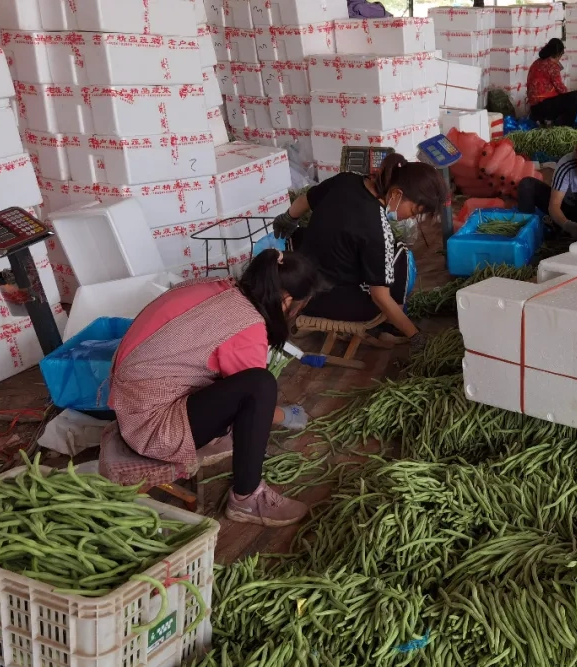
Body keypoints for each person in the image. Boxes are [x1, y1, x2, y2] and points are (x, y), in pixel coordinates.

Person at [109, 250, 322, 527]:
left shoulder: (214, 286)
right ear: (287, 300)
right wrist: (284, 415)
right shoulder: (246, 326)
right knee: (260, 385)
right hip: (152, 427)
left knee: (247, 384)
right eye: (299, 307)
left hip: (130, 402)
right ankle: (247, 497)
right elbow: (255, 401)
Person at [273, 154, 444, 347]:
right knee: (401, 256)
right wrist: (416, 336)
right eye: (414, 212)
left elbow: (305, 200)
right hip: (322, 300)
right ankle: (388, 325)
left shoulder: (346, 180)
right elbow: (380, 297)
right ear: (396, 194)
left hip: (301, 281)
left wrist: (288, 218)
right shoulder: (377, 230)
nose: (409, 219)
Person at [526, 38, 577, 127]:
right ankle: (564, 127)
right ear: (559, 54)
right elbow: (561, 89)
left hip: (534, 108)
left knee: (564, 98)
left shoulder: (536, 63)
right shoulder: (552, 66)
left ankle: (545, 121)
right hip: (544, 107)